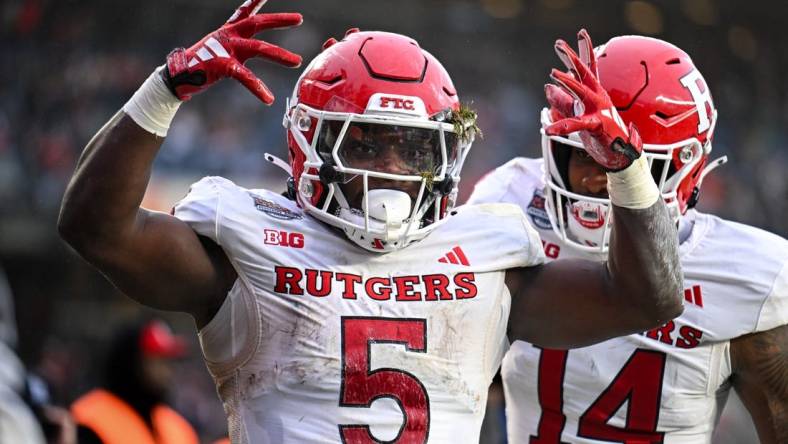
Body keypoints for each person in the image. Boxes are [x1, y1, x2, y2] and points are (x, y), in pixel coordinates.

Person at [57, 1, 684, 441]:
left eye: (412, 149)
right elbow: (94, 228)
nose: (391, 169)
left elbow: (648, 298)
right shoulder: (249, 244)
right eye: (365, 144)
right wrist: (166, 88)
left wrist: (627, 170)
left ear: (446, 155)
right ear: (310, 144)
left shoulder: (486, 252)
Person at [469, 32, 788, 443]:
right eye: (584, 153)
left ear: (683, 165)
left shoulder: (748, 278)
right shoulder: (510, 202)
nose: (596, 180)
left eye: (625, 166)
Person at [70, 319, 199, 444]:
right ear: (132, 363)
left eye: (170, 361)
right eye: (158, 360)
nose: (168, 370)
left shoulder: (177, 427)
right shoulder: (92, 420)